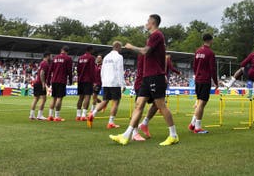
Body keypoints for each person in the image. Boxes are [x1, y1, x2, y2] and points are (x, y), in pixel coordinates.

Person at [110, 14, 179, 146]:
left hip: (155, 76)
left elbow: (145, 51)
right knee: (139, 105)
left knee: (161, 106)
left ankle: (173, 135)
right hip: (147, 77)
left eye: (148, 21)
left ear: (153, 22)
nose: (146, 23)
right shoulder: (151, 37)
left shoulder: (157, 35)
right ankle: (126, 135)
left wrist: (132, 47)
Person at [87, 41, 125, 129]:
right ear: (118, 47)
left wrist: (103, 81)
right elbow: (120, 70)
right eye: (121, 48)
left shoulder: (107, 57)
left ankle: (92, 114)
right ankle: (111, 122)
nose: (121, 49)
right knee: (116, 102)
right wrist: (122, 84)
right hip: (114, 82)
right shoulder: (119, 57)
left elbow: (102, 71)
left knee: (105, 100)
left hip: (106, 82)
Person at [188, 33, 219, 134]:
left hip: (198, 79)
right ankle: (197, 127)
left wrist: (196, 74)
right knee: (201, 104)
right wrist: (216, 81)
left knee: (201, 103)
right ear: (211, 40)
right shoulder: (210, 53)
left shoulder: (198, 51)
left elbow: (194, 65)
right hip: (205, 80)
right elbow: (212, 69)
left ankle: (193, 124)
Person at [48, 46, 73, 121]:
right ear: (67, 51)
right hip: (61, 80)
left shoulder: (55, 58)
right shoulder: (68, 58)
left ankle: (50, 116)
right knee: (59, 98)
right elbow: (69, 71)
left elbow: (50, 70)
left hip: (54, 80)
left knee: (53, 98)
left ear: (61, 50)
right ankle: (57, 116)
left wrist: (48, 80)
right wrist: (70, 80)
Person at [76, 46, 96, 121]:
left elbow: (78, 69)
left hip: (80, 79)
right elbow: (92, 70)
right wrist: (93, 81)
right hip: (88, 80)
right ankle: (83, 115)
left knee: (81, 97)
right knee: (87, 97)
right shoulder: (91, 58)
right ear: (91, 50)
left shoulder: (80, 58)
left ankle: (78, 115)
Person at [29, 52, 50, 120]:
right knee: (43, 99)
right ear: (47, 56)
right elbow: (42, 73)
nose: (50, 58)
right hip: (40, 83)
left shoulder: (41, 63)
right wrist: (43, 83)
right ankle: (39, 115)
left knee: (36, 99)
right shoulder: (45, 63)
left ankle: (31, 115)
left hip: (36, 82)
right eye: (50, 56)